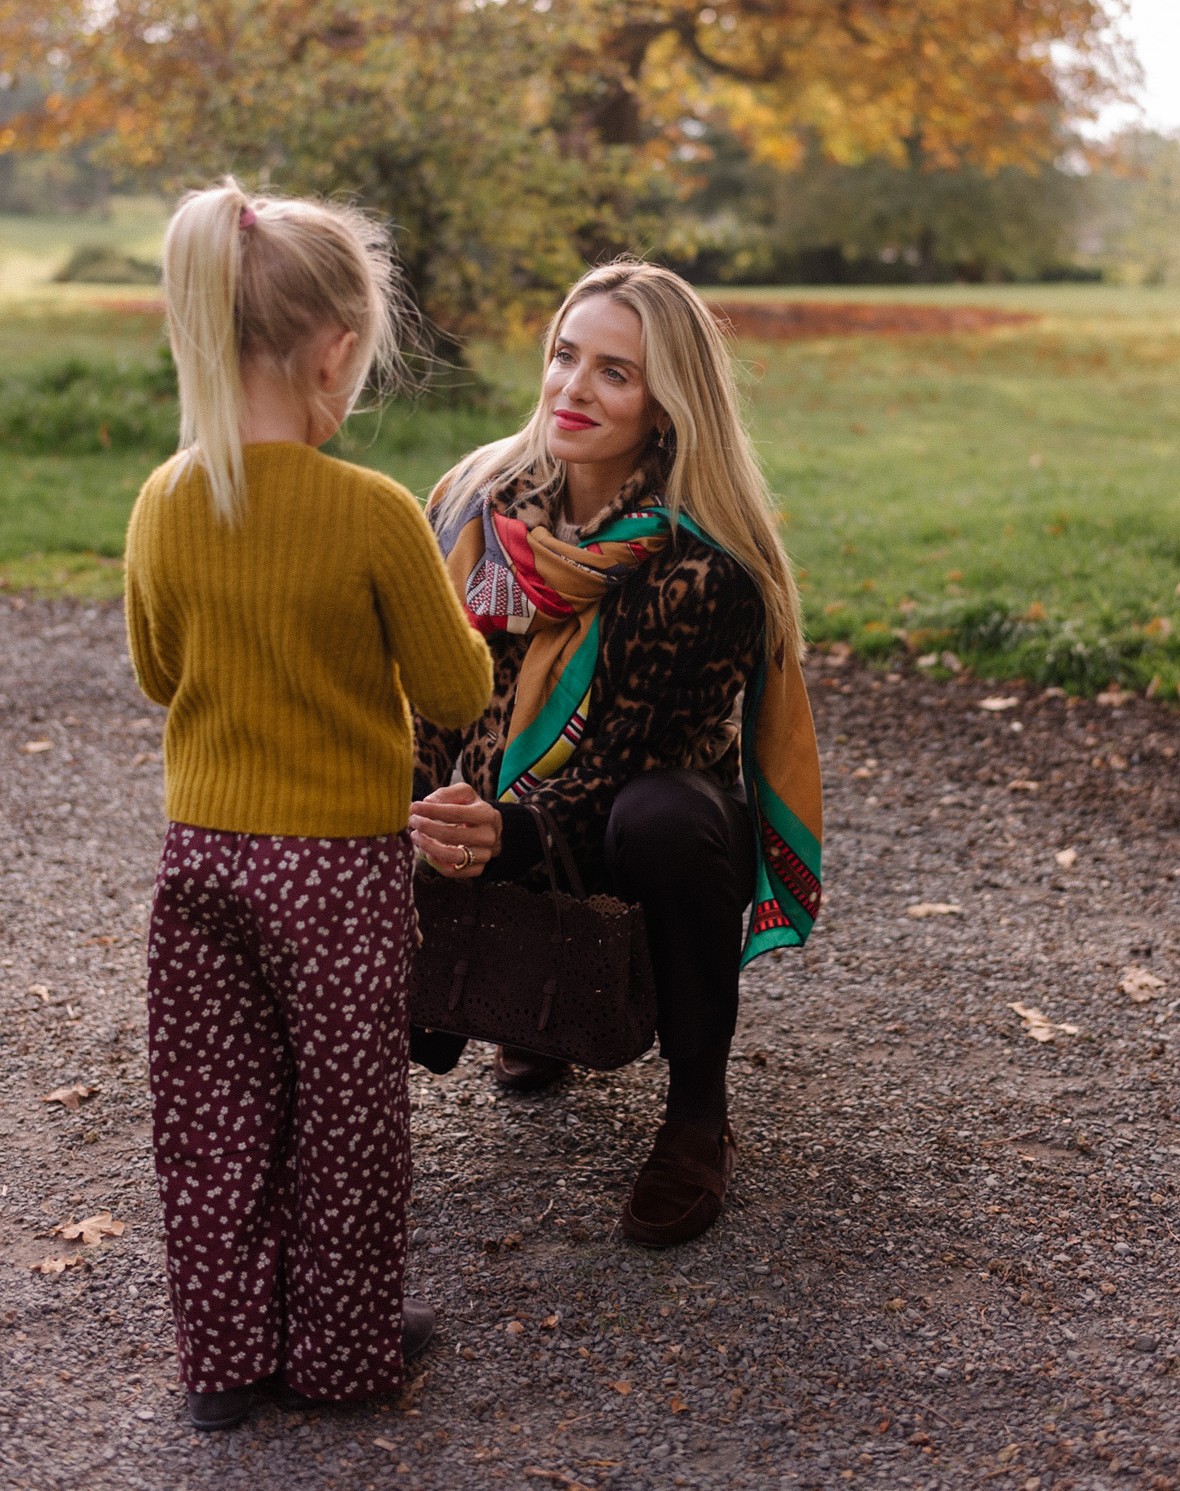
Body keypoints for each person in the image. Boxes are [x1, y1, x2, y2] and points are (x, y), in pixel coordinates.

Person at [124, 179, 492, 1432]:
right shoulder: (376, 513)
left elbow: (158, 674)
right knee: (345, 1116)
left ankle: (223, 1364)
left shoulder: (167, 499)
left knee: (212, 1112)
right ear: (336, 349)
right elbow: (454, 684)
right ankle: (340, 1358)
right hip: (335, 869)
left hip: (202, 859)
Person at [407, 260, 823, 1246]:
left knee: (670, 816)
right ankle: (509, 1006)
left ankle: (696, 1117)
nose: (572, 389)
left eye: (615, 373)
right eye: (564, 356)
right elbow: (418, 689)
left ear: (667, 408)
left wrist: (499, 834)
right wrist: (427, 810)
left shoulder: (704, 566)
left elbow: (614, 774)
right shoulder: (474, 499)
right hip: (483, 802)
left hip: (617, 829)